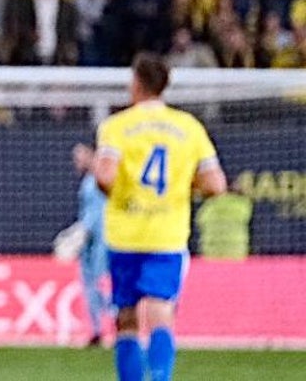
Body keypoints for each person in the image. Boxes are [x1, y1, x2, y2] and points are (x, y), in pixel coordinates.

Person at [94, 53, 227, 381]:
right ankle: (160, 378)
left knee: (126, 317)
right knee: (160, 312)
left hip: (125, 234)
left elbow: (106, 177)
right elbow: (216, 185)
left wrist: (119, 188)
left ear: (136, 83)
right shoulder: (189, 127)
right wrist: (182, 186)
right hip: (167, 236)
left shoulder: (116, 126)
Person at [73, 143, 108, 346]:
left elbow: (99, 212)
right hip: (88, 239)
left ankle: (116, 322)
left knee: (102, 282)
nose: (76, 162)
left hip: (102, 238)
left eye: (80, 156)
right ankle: (96, 330)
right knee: (89, 284)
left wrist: (86, 228)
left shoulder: (103, 178)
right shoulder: (87, 181)